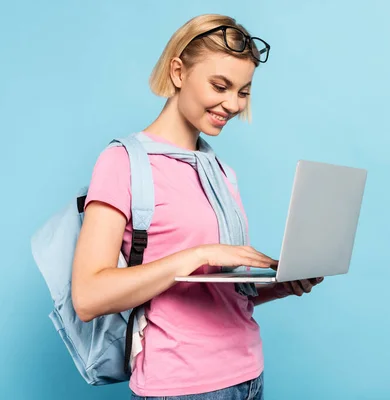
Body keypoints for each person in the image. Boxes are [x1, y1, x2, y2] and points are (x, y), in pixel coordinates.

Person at [71, 14, 323, 400]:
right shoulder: (124, 162)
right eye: (220, 86)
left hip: (248, 375)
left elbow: (221, 292)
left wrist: (282, 285)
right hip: (182, 386)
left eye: (243, 91)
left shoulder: (221, 170)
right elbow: (88, 296)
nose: (232, 104)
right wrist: (200, 253)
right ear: (178, 72)